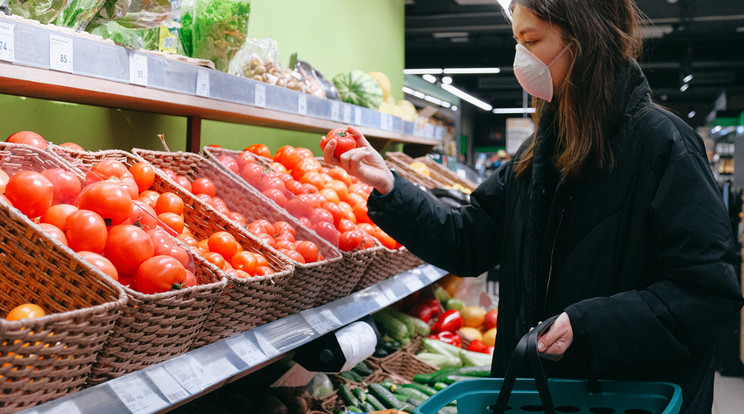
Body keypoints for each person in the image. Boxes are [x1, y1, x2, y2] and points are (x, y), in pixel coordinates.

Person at [322, 0, 744, 412]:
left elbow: (706, 293)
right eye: (516, 40)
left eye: (532, 39)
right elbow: (467, 240)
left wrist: (589, 324)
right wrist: (390, 188)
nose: (519, 57)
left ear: (582, 39)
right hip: (538, 394)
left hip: (624, 398)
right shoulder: (540, 152)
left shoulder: (664, 146)